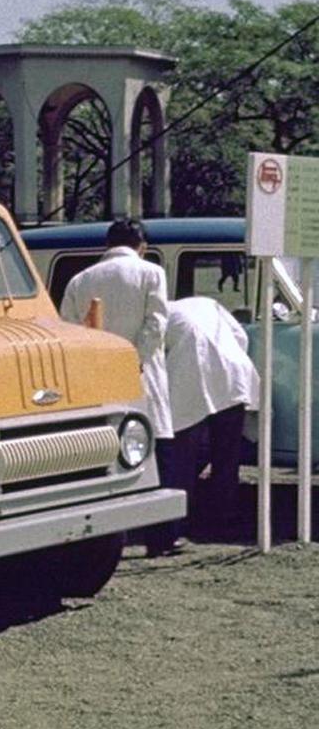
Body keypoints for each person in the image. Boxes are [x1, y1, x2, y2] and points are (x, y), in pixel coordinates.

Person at [60, 218, 177, 555]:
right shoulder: (150, 273)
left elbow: (69, 330)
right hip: (141, 374)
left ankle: (106, 537)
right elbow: (156, 324)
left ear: (107, 244)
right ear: (141, 246)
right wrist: (134, 359)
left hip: (95, 379)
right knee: (154, 454)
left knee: (105, 456)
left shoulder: (81, 280)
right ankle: (160, 537)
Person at [165, 296, 259, 539]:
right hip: (234, 373)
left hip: (191, 375)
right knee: (227, 454)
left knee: (184, 454)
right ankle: (221, 517)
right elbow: (241, 336)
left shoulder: (160, 313)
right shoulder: (206, 303)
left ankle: (178, 523)